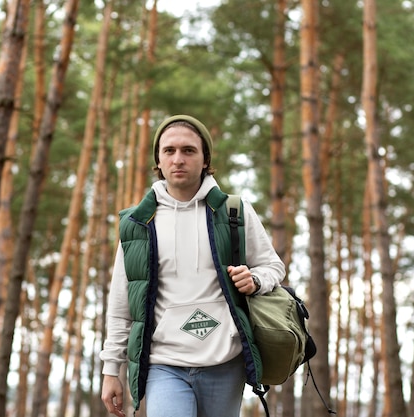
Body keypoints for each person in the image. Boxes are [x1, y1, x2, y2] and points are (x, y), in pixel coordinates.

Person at [100, 114, 286, 417]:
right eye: (169, 151)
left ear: (205, 159)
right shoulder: (137, 223)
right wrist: (111, 369)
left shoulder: (234, 211)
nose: (178, 159)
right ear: (158, 160)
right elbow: (122, 305)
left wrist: (254, 279)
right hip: (163, 363)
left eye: (188, 150)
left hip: (225, 362)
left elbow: (273, 267)